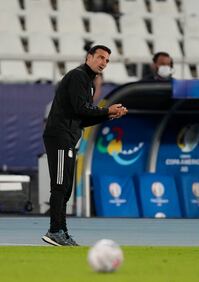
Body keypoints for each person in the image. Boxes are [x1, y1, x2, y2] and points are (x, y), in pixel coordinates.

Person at [42, 45, 128, 246]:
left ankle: (60, 230)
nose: (103, 63)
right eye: (100, 57)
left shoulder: (87, 81)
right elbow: (83, 109)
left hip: (68, 136)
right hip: (60, 135)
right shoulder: (79, 76)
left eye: (107, 60)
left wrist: (108, 115)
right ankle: (55, 230)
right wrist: (107, 111)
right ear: (89, 57)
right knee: (61, 185)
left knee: (66, 187)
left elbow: (81, 117)